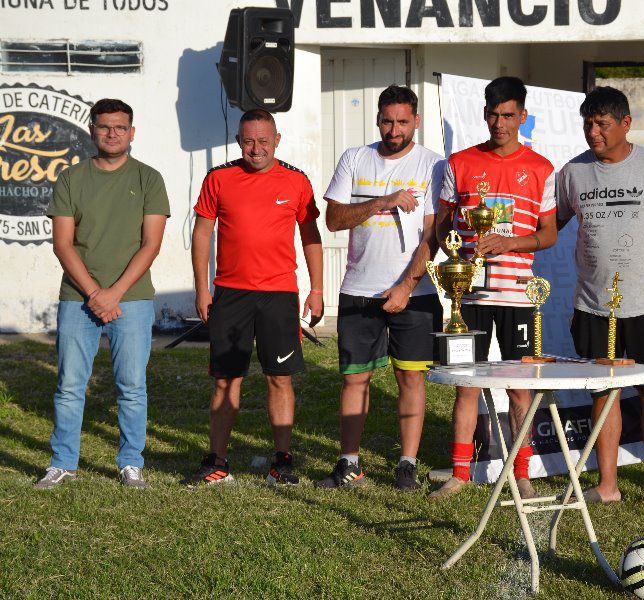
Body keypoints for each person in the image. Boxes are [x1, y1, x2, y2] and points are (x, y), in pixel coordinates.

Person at [556, 86, 644, 512]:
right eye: (587, 124)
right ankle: (609, 483)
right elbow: (551, 224)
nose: (593, 132)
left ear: (626, 124)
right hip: (595, 306)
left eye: (602, 124)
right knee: (604, 396)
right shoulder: (572, 173)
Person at [429, 76, 558, 500]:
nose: (500, 123)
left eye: (508, 115)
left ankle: (520, 472)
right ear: (483, 115)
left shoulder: (540, 168)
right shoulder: (459, 163)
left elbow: (549, 234)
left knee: (519, 386)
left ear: (522, 116)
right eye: (493, 115)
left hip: (518, 294)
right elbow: (444, 226)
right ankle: (460, 473)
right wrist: (455, 262)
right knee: (467, 384)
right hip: (470, 296)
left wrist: (510, 242)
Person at [182, 109, 324, 487]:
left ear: (277, 140)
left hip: (279, 295)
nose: (256, 148)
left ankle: (282, 461)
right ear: (238, 141)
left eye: (264, 141)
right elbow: (201, 235)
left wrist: (317, 288)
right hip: (231, 294)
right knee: (227, 381)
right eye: (248, 141)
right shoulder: (219, 178)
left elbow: (311, 237)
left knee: (280, 379)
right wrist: (202, 287)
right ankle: (217, 461)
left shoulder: (296, 181)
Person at [314, 85, 443, 492]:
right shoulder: (355, 158)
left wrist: (407, 285)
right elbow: (333, 220)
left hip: (414, 294)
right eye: (387, 120)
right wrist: (382, 201)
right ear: (377, 119)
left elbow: (433, 235)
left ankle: (406, 463)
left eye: (403, 121)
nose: (394, 129)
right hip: (358, 289)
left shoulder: (433, 165)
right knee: (355, 379)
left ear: (416, 122)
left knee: (411, 379)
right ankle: (349, 462)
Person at [36, 99, 170, 490]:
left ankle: (131, 463)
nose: (112, 133)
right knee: (70, 384)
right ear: (92, 130)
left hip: (133, 298)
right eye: (104, 126)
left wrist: (114, 294)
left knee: (131, 386)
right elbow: (63, 244)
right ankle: (63, 462)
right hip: (78, 297)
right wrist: (96, 293)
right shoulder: (71, 179)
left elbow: (151, 245)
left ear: (132, 132)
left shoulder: (149, 178)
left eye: (120, 127)